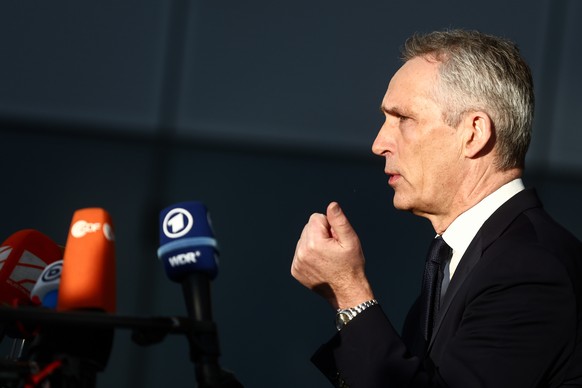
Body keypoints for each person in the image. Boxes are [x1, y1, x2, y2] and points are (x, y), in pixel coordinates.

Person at [291, 29, 582, 387]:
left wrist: (350, 293)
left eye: (403, 119)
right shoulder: (457, 260)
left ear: (473, 133)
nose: (378, 143)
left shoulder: (531, 269)